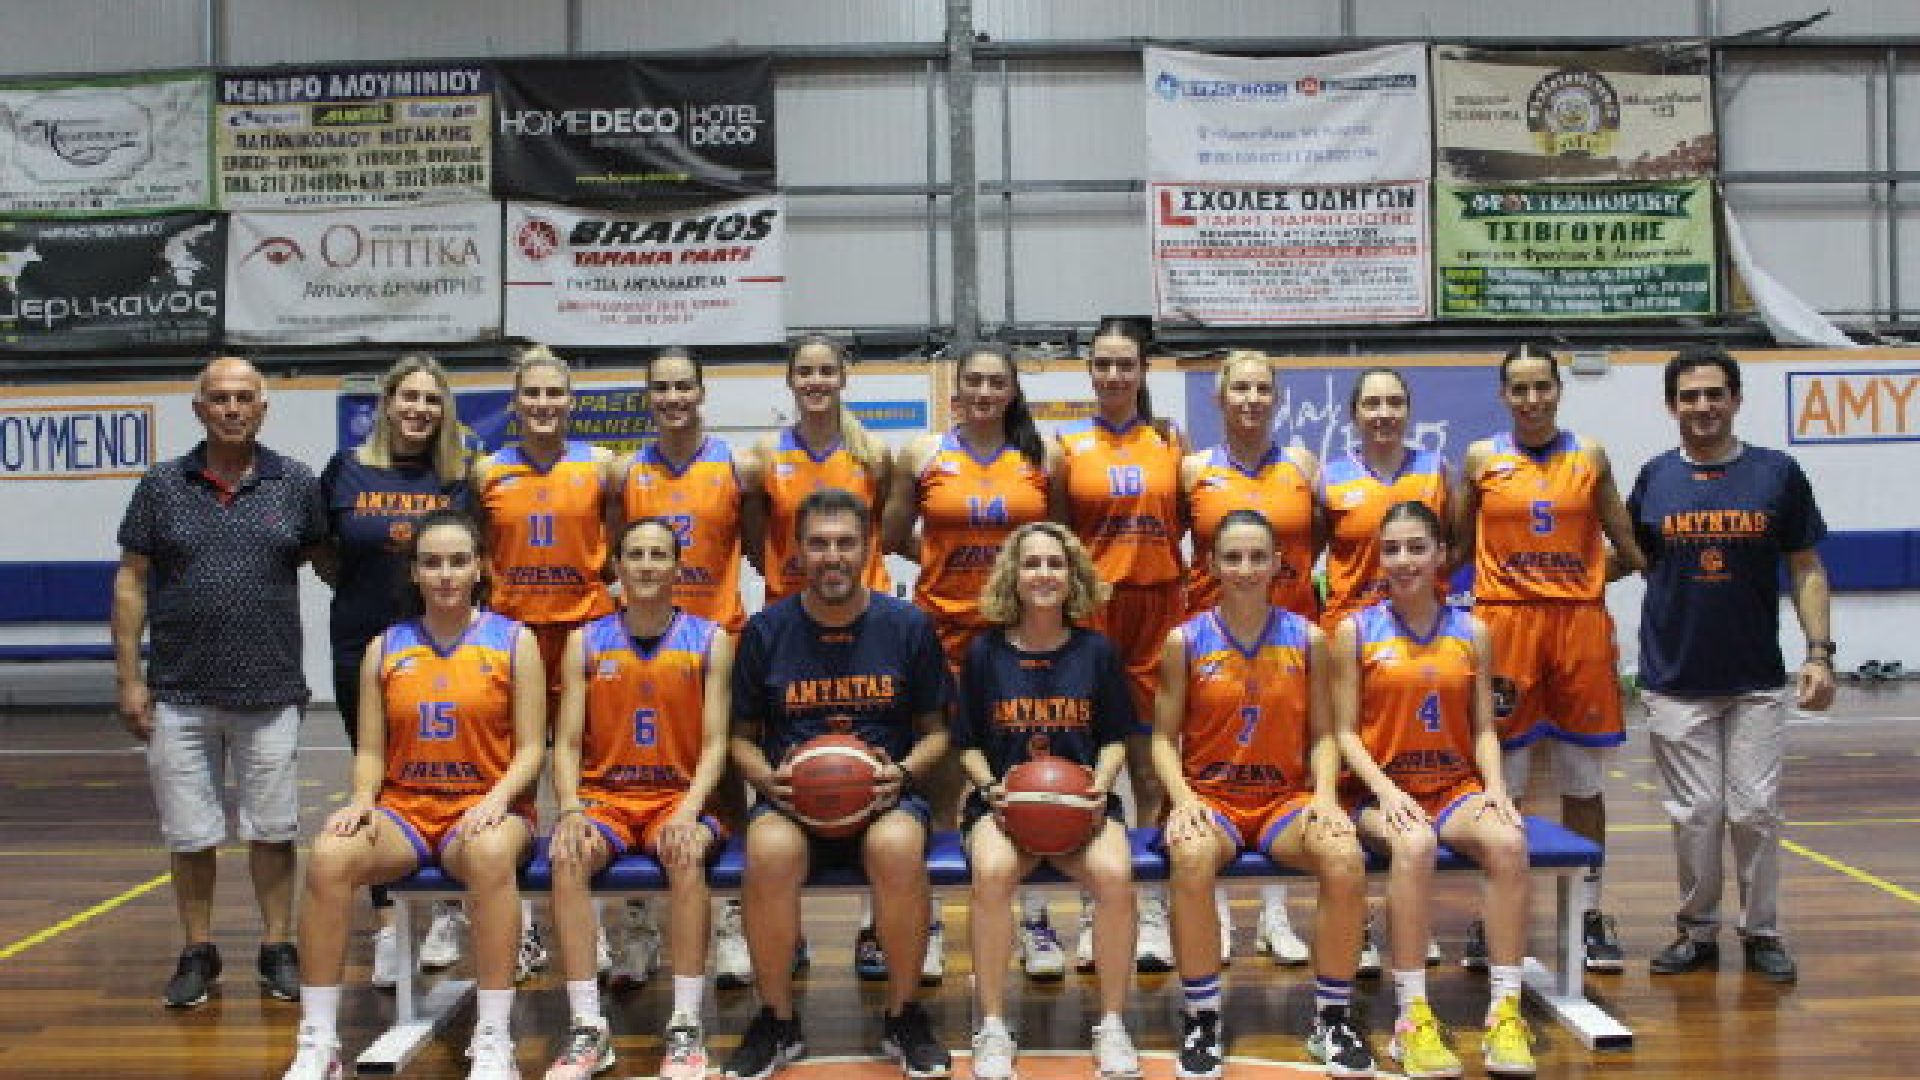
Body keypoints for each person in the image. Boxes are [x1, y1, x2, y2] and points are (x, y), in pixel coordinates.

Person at [280, 511, 547, 1080]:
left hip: (486, 807)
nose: (446, 574)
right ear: (414, 572)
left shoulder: (514, 641)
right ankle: (318, 1041)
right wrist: (361, 799)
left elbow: (531, 750)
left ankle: (493, 1034)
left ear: (479, 569)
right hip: (406, 811)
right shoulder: (385, 648)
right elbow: (371, 752)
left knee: (489, 855)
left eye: (458, 561)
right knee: (328, 857)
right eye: (432, 563)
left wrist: (498, 800)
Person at [112, 354, 326, 1009]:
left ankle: (277, 947)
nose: (232, 408)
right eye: (220, 398)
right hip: (179, 693)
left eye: (244, 397)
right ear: (199, 409)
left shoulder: (295, 482)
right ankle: (198, 951)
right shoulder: (161, 485)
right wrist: (130, 679)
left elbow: (332, 565)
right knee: (190, 835)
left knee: (274, 830)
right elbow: (131, 582)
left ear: (263, 407)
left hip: (270, 691)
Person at [724, 488, 954, 1080]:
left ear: (868, 548)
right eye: (819, 544)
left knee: (897, 847)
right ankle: (777, 1019)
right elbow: (739, 737)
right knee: (768, 851)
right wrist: (767, 779)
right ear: (797, 551)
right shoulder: (766, 630)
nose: (833, 557)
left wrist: (902, 773)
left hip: (883, 797)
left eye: (846, 543)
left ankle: (903, 1014)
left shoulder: (907, 626)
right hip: (793, 800)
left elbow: (937, 733)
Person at [1629, 346, 1835, 984]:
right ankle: (1697, 931)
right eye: (1690, 396)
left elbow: (1806, 566)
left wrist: (1819, 653)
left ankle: (1762, 930)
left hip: (1755, 678)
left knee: (1754, 812)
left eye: (1715, 393)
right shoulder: (1654, 478)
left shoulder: (1778, 474)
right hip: (1675, 678)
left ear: (1736, 399)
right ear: (1672, 406)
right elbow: (1626, 559)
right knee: (1697, 815)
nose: (1703, 406)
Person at [1153, 510, 1371, 1079]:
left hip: (1282, 802)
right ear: (1210, 565)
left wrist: (1326, 797)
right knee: (1191, 857)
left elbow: (1323, 736)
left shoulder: (1309, 638)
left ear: (1278, 563)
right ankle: (1202, 1017)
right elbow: (1162, 741)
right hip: (1212, 798)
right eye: (1233, 557)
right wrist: (1183, 799)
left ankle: (1332, 1018)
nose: (1245, 569)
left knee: (1345, 857)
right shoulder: (1185, 641)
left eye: (1257, 557)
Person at [1452, 342, 1645, 972]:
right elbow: (1454, 549)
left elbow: (1629, 548)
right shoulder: (1481, 459)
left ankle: (1588, 912)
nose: (1532, 399)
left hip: (1577, 631)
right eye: (1520, 388)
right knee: (1500, 784)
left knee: (1582, 782)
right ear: (1503, 394)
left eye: (1543, 387)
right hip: (1504, 628)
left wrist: (1580, 586)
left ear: (1559, 390)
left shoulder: (1589, 455)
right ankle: (1494, 914)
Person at [1331, 502, 1533, 1079]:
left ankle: (1506, 1011)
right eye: (1392, 549)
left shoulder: (1472, 631)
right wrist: (1385, 790)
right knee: (1414, 845)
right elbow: (1343, 732)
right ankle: (1411, 1016)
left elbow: (1484, 728)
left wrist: (1496, 788)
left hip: (1453, 787)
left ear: (1441, 555)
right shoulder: (1355, 631)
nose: (1404, 560)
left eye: (1417, 547)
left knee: (1509, 842)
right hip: (1378, 795)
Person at [881, 345, 1051, 982]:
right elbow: (892, 533)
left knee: (1025, 774)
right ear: (956, 389)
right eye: (973, 380)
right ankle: (925, 925)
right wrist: (944, 556)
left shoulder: (1039, 456)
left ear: (1011, 391)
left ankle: (1035, 919)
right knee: (940, 781)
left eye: (995, 381)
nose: (983, 391)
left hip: (1017, 636)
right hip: (941, 632)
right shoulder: (923, 454)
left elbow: (1054, 543)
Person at [543, 518, 734, 1080]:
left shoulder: (710, 640)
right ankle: (587, 1025)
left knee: (684, 852)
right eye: (636, 555)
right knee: (568, 855)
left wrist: (690, 809)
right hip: (606, 799)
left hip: (679, 797)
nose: (647, 565)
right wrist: (570, 809)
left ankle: (685, 1022)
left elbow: (716, 743)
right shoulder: (585, 641)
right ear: (618, 567)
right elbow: (567, 743)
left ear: (678, 567)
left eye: (658, 555)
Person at [956, 522, 1140, 1080]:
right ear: (1013, 575)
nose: (1043, 574)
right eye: (1032, 563)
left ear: (1072, 575)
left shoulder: (1097, 651)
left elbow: (1115, 737)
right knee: (992, 874)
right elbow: (966, 742)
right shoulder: (984, 653)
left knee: (1115, 876)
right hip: (1004, 809)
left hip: (1081, 807)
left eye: (1054, 564)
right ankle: (992, 1024)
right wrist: (990, 788)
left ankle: (1113, 1023)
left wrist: (1100, 784)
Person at [316, 352, 474, 987]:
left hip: (441, 648)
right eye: (409, 396)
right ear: (386, 403)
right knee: (375, 780)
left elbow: (470, 561)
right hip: (361, 644)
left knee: (445, 773)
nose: (419, 409)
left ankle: (447, 913)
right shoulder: (346, 470)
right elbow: (326, 554)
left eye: (432, 399)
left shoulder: (457, 478)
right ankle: (388, 926)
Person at [472, 343, 617, 981]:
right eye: (531, 393)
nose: (543, 403)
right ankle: (523, 927)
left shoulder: (602, 468)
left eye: (554, 393)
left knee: (592, 782)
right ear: (515, 403)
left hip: (586, 635)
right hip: (515, 639)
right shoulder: (487, 472)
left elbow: (620, 543)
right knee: (517, 780)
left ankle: (603, 928)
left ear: (571, 402)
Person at [611, 346, 753, 991]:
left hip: (718, 637)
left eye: (682, 386)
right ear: (648, 395)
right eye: (661, 387)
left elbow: (756, 545)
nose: (672, 398)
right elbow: (616, 549)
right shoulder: (626, 473)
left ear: (701, 392)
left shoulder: (737, 467)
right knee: (631, 773)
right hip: (643, 641)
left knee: (725, 776)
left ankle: (731, 923)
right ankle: (639, 925)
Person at [1179, 350, 1324, 968]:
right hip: (1215, 640)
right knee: (1214, 766)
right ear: (1220, 398)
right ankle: (1213, 917)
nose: (1251, 399)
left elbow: (1317, 542)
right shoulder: (1193, 471)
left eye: (1262, 388)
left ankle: (1275, 916)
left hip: (1287, 639)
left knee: (1283, 768)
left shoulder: (1302, 466)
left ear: (1277, 397)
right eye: (1240, 388)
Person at [1051, 316, 1185, 972]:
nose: (1113, 374)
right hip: (1092, 616)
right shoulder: (1067, 448)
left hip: (1157, 611)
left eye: (1124, 363)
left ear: (1142, 370)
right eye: (1102, 363)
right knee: (1084, 765)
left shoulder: (1170, 441)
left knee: (1150, 768)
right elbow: (1056, 537)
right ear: (1089, 370)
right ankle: (1090, 907)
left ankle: (1152, 909)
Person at [747, 335, 892, 608]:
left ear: (842, 379)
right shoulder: (765, 454)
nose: (815, 381)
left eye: (826, 371)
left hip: (864, 608)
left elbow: (887, 535)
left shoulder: (873, 454)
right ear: (790, 380)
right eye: (804, 372)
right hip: (790, 607)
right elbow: (754, 544)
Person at [1319, 367, 1452, 632]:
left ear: (1408, 411)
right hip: (1350, 628)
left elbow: (1456, 547)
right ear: (1354, 414)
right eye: (1372, 404)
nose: (1384, 413)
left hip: (1424, 627)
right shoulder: (1328, 478)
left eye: (1395, 403)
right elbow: (1308, 553)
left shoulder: (1437, 471)